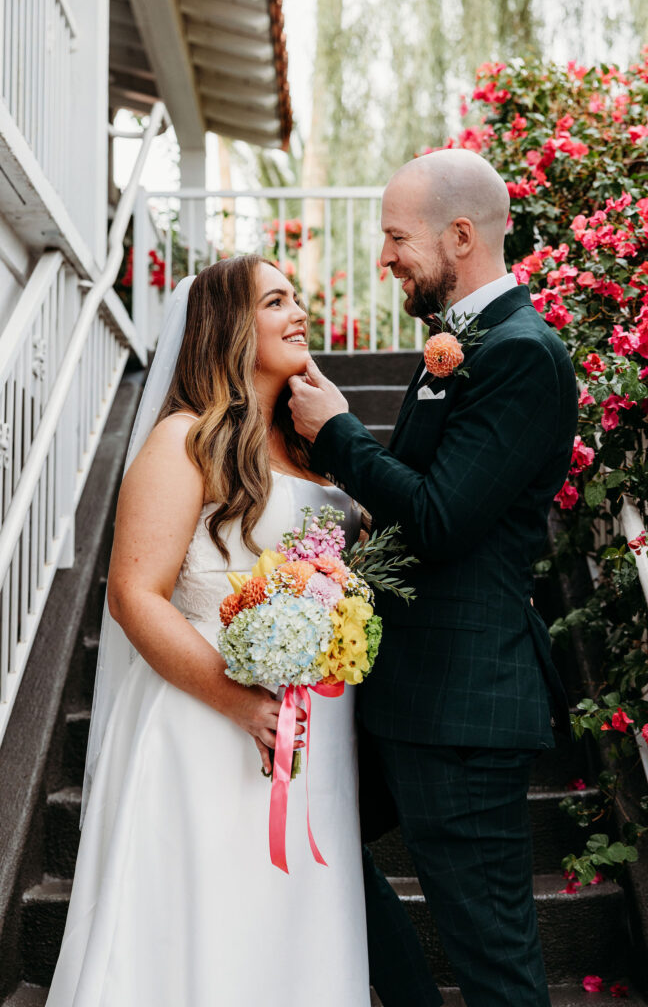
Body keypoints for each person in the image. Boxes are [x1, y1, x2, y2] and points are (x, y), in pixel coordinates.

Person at [288, 148, 579, 1007]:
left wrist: (339, 433)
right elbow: (416, 504)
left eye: (395, 237)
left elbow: (443, 519)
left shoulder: (522, 353)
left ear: (459, 235)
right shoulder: (458, 342)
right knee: (314, 845)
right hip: (405, 691)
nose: (383, 257)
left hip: (462, 707)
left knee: (493, 961)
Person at [46, 256, 370, 1007]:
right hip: (209, 718)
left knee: (291, 924)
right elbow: (133, 596)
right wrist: (240, 703)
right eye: (276, 301)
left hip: (313, 725)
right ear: (229, 326)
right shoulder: (183, 439)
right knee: (212, 919)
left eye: (297, 298)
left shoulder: (313, 449)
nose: (299, 312)